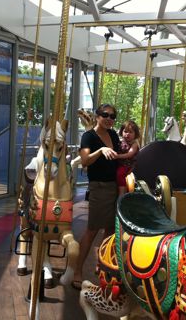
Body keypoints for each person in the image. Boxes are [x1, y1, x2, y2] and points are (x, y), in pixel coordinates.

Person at [72, 104, 120, 290]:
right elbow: (84, 161)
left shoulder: (114, 135)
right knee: (92, 229)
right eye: (105, 115)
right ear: (97, 116)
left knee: (110, 231)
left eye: (113, 116)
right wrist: (100, 151)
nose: (109, 118)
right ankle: (77, 270)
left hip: (114, 186)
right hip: (99, 187)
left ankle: (102, 266)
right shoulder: (89, 136)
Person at [116, 120, 140, 195]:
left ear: (135, 134)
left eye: (130, 132)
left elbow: (129, 154)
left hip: (128, 165)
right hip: (120, 163)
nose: (127, 134)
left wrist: (117, 156)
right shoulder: (120, 142)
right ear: (121, 132)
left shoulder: (134, 144)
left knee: (120, 173)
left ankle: (121, 192)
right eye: (125, 131)